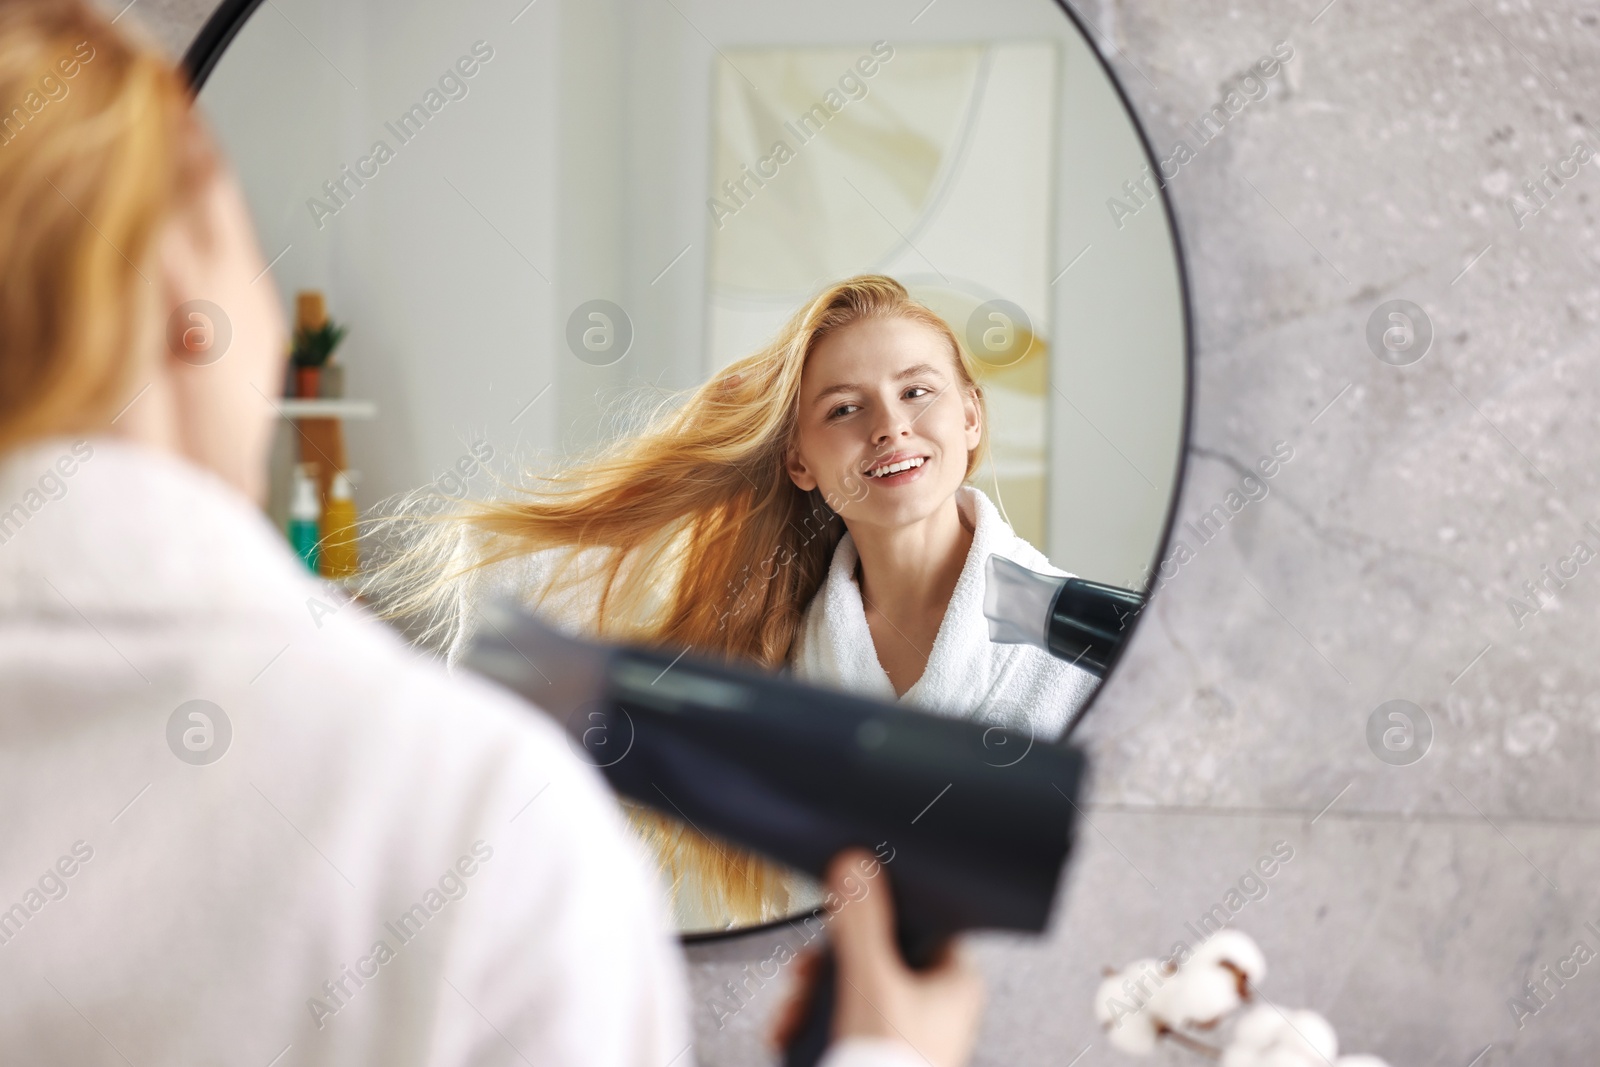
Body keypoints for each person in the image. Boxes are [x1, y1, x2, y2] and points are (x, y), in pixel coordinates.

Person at [0, 2, 980, 1065]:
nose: (889, 426)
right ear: (190, 290)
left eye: (920, 391)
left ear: (974, 415)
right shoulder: (455, 809)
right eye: (843, 405)